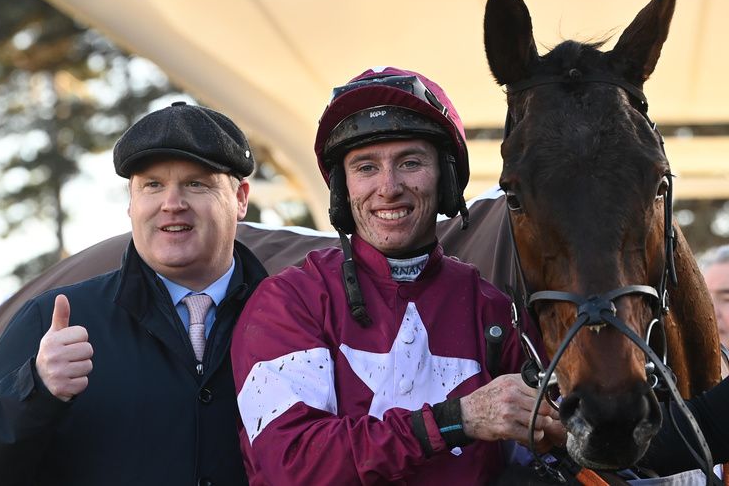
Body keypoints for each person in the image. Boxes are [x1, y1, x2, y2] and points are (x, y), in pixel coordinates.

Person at [231, 67, 561, 485]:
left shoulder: (493, 310)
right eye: (366, 167)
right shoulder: (289, 301)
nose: (388, 187)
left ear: (446, 178)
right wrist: (455, 420)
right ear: (342, 190)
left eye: (409, 162)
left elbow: (565, 435)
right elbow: (294, 465)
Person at [0, 101, 267, 485]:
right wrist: (34, 389)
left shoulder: (295, 317)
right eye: (152, 185)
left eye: (195, 183)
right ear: (131, 203)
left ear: (240, 198)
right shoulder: (53, 320)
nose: (172, 204)